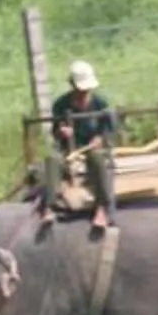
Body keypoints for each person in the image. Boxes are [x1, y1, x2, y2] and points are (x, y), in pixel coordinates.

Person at [47, 60, 121, 233]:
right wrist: (61, 132)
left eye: (86, 90)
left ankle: (102, 207)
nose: (83, 93)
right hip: (69, 150)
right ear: (72, 85)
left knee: (98, 159)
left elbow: (108, 129)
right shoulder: (60, 105)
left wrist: (100, 138)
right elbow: (55, 130)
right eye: (80, 90)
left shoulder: (100, 104)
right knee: (52, 159)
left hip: (93, 148)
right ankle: (50, 206)